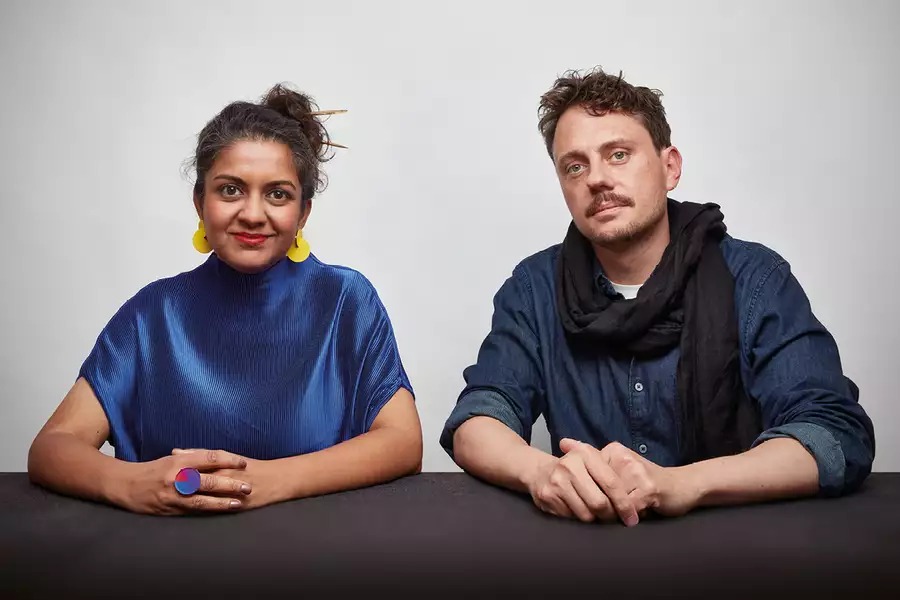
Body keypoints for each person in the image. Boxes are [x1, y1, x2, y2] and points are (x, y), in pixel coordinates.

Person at [440, 68, 875, 526]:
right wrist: (543, 473)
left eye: (619, 155)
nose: (597, 179)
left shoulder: (753, 278)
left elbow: (833, 434)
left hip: (739, 554)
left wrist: (683, 484)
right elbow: (478, 419)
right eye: (575, 166)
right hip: (590, 555)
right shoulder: (534, 288)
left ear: (670, 167)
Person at [28, 84, 422, 515]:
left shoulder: (345, 301)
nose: (253, 214)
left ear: (303, 213)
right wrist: (128, 483)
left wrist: (272, 481)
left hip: (315, 561)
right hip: (167, 562)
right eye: (230, 190)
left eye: (278, 194)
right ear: (200, 203)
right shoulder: (154, 313)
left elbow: (403, 441)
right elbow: (51, 448)